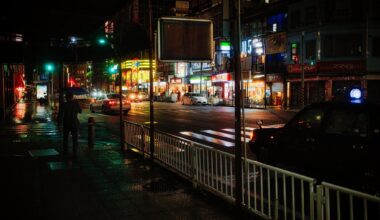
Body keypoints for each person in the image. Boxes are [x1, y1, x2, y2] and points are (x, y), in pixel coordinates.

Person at [57, 91, 82, 159]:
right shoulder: (76, 104)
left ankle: (65, 152)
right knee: (75, 139)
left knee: (65, 138)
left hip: (66, 123)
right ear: (72, 97)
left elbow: (60, 115)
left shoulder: (64, 105)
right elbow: (80, 111)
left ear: (66, 97)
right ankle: (75, 153)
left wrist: (59, 124)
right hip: (74, 123)